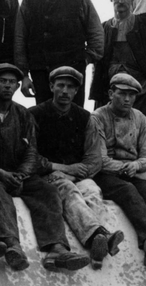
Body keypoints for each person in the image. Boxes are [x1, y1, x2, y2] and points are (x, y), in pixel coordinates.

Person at [0, 63, 90, 273]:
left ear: (17, 86)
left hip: (18, 173)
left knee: (48, 191)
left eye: (12, 82)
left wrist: (23, 173)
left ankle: (57, 249)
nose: (8, 86)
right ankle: (12, 245)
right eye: (2, 81)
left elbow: (31, 151)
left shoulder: (23, 114)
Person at [32, 67, 124, 269]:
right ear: (51, 87)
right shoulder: (35, 114)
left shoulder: (85, 117)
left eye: (70, 87)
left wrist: (73, 173)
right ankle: (99, 236)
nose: (65, 91)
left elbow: (94, 158)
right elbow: (29, 156)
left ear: (76, 91)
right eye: (60, 85)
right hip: (47, 174)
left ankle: (98, 245)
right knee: (68, 190)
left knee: (92, 190)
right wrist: (61, 168)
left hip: (76, 175)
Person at [91, 73, 146, 269]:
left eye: (132, 95)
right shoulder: (97, 117)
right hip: (105, 173)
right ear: (111, 93)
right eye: (122, 94)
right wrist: (124, 168)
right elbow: (99, 158)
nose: (127, 99)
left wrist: (136, 166)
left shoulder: (140, 118)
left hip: (134, 171)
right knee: (128, 190)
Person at [15, 0, 104, 106]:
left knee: (74, 115)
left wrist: (85, 59)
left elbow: (96, 33)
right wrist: (24, 75)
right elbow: (20, 38)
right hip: (41, 72)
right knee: (43, 115)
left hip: (73, 72)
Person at [89, 0, 146, 117]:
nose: (121, 1)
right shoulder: (104, 28)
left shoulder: (144, 25)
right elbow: (97, 63)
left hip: (141, 94)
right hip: (110, 93)